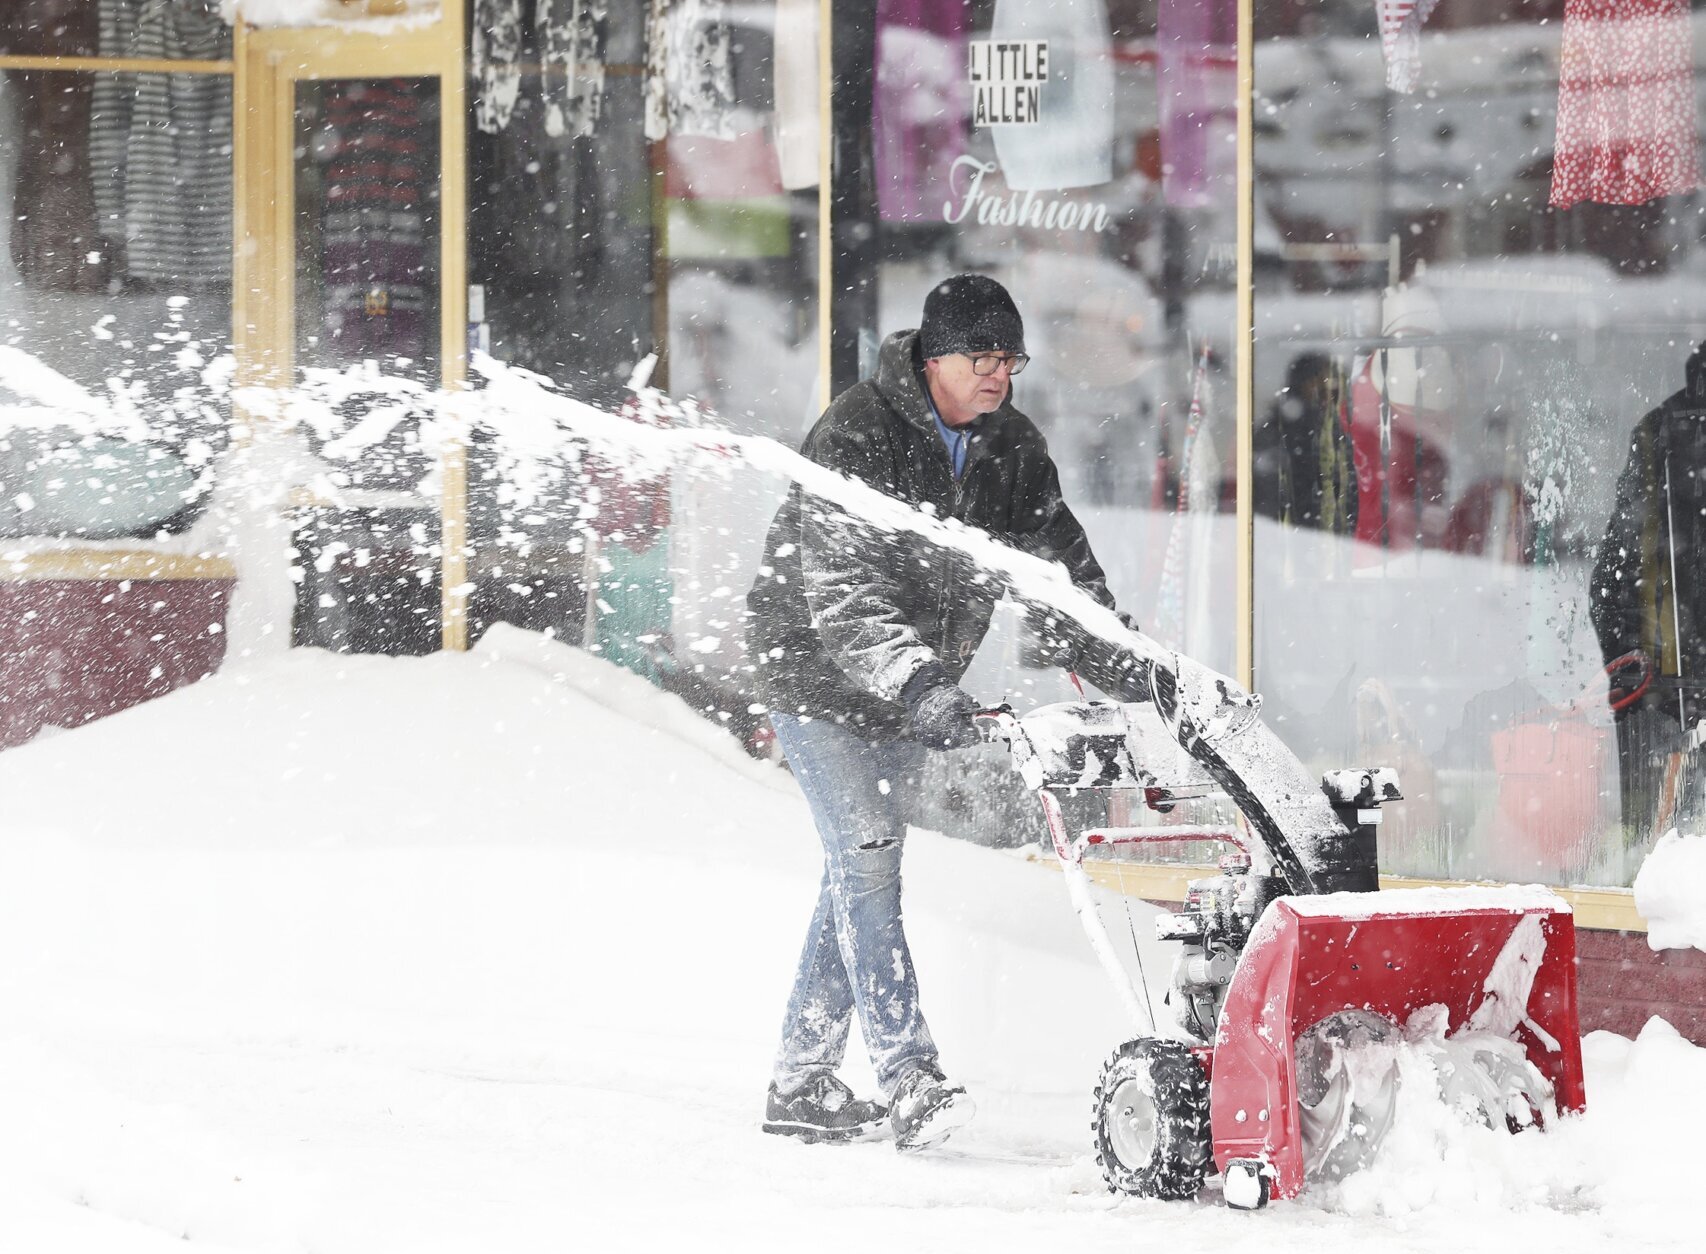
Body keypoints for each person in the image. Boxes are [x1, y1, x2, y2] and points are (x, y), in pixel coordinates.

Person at [744, 274, 1148, 1151]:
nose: (999, 375)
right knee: (867, 856)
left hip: (906, 690)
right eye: (982, 358)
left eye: (1011, 359)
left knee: (856, 873)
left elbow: (1059, 573)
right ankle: (907, 1076)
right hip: (815, 673)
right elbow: (844, 596)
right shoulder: (858, 433)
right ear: (933, 359)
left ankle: (801, 1081)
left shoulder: (1010, 448)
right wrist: (921, 683)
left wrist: (1124, 658)